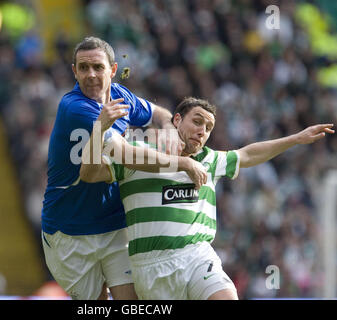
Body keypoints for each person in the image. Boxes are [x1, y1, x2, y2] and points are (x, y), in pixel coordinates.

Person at [79, 97, 335, 300]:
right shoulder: (138, 156)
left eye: (209, 128)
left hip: (196, 255)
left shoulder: (210, 160)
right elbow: (89, 174)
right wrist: (99, 127)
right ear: (176, 120)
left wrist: (296, 139)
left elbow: (246, 155)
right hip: (151, 267)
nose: (202, 131)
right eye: (197, 121)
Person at [41, 36, 208, 300]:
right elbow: (126, 155)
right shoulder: (75, 108)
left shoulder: (120, 95)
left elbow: (158, 113)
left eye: (98, 67)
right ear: (74, 71)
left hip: (114, 225)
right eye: (83, 68)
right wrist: (183, 162)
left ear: (113, 70)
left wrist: (168, 129)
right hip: (70, 230)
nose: (91, 74)